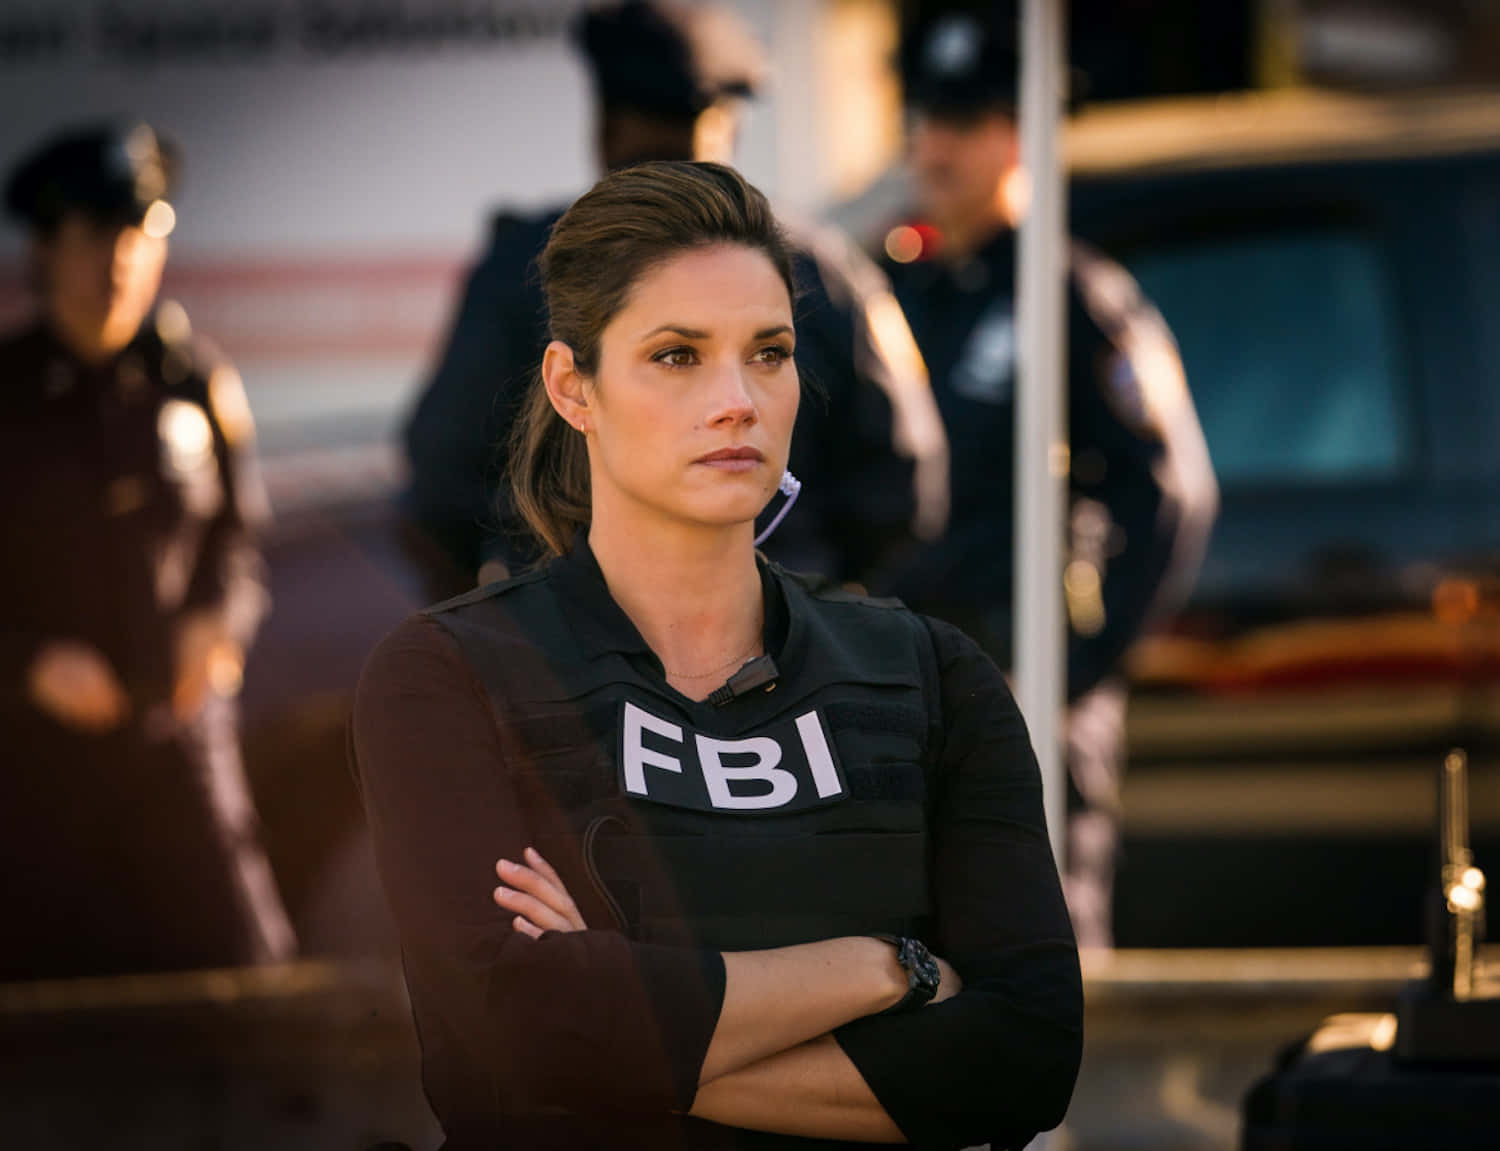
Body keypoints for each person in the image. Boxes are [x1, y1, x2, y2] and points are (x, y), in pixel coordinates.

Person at [354, 161, 1081, 1149]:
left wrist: (619, 1027)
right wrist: (888, 967)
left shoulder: (932, 678)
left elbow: (1027, 1053)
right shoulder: (451, 675)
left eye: (769, 351)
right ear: (575, 387)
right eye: (677, 355)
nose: (738, 399)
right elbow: (508, 1034)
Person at [401, 0, 946, 600]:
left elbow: (442, 489)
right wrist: (805, 607)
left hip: (590, 653)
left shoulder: (521, 272)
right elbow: (903, 487)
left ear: (604, 132)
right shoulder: (819, 270)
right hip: (765, 652)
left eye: (766, 354)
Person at [878, 7, 1219, 949]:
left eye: (969, 123)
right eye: (928, 120)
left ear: (1019, 134)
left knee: (1035, 958)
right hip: (909, 696)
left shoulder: (1069, 294)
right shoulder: (904, 291)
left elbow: (1170, 493)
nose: (936, 148)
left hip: (1022, 686)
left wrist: (1071, 677)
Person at [0, 124, 295, 978]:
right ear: (49, 250)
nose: (120, 264)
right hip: (33, 769)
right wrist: (26, 666)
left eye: (142, 236)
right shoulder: (7, 396)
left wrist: (219, 625)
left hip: (180, 752)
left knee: (246, 985)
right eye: (96, 238)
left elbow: (238, 544)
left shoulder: (195, 381)